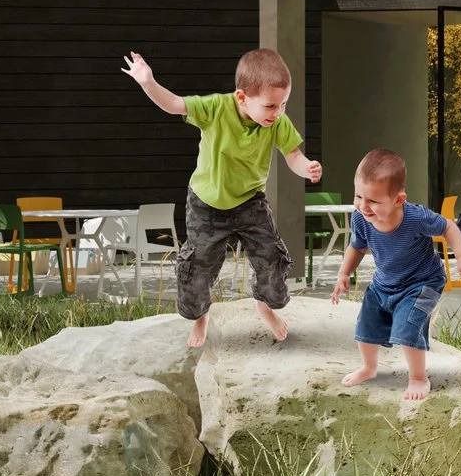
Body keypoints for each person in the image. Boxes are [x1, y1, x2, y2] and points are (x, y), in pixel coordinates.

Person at [121, 45, 321, 350]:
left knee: (272, 259)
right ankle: (201, 315)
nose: (278, 112)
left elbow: (292, 154)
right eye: (270, 106)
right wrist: (147, 82)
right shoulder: (215, 108)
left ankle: (264, 304)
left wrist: (305, 167)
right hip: (206, 205)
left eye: (283, 104)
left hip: (250, 201)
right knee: (198, 267)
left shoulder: (277, 122)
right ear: (242, 97)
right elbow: (175, 104)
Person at [331, 149, 461, 406]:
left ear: (398, 200)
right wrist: (343, 273)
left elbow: (449, 227)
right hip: (384, 283)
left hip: (423, 282)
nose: (364, 206)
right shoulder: (362, 217)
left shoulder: (415, 217)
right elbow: (357, 247)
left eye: (373, 201)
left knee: (408, 326)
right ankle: (368, 367)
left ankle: (419, 377)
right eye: (358, 196)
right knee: (366, 326)